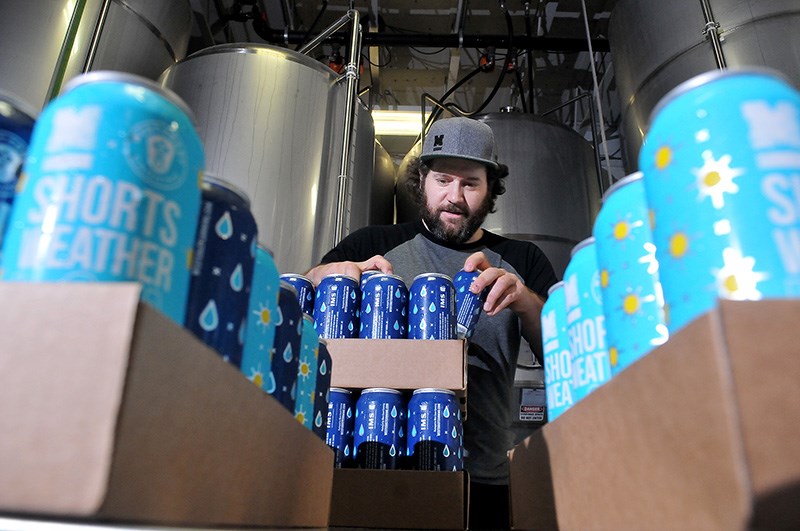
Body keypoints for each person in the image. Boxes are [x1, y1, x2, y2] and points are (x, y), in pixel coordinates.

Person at [307, 116, 558, 529]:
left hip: (484, 481)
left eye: (471, 183)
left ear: (491, 189)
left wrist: (526, 301)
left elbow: (564, 355)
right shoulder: (373, 243)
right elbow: (301, 298)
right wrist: (327, 274)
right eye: (442, 180)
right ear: (422, 180)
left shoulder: (524, 259)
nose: (454, 197)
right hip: (370, 467)